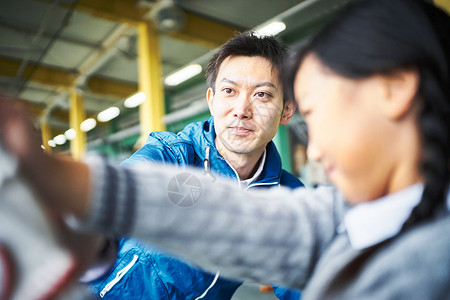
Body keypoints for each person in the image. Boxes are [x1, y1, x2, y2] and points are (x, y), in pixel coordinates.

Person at [1, 0, 449, 298]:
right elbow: (238, 220)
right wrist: (61, 182)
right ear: (211, 99)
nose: (314, 152)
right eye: (230, 92)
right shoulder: (346, 214)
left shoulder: (427, 267)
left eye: (317, 109)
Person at [85, 32, 303, 300]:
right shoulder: (170, 157)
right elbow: (109, 194)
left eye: (262, 94)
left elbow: (309, 285)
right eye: (229, 91)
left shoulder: (287, 200)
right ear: (212, 100)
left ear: (287, 109)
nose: (241, 109)